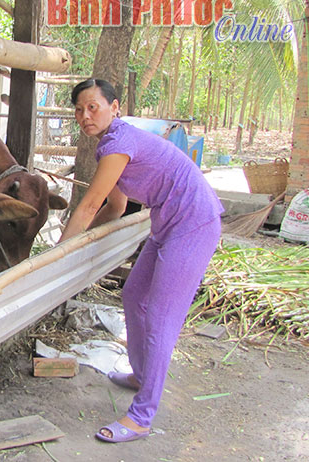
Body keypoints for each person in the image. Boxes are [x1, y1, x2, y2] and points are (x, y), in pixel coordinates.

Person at [58, 79, 223, 443]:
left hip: (194, 223)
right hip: (169, 222)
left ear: (115, 107)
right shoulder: (109, 146)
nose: (85, 116)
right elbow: (115, 207)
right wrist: (82, 240)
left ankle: (142, 417)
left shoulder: (119, 143)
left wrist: (58, 254)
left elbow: (89, 206)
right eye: (79, 109)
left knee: (161, 319)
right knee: (133, 295)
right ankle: (140, 374)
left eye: (93, 107)